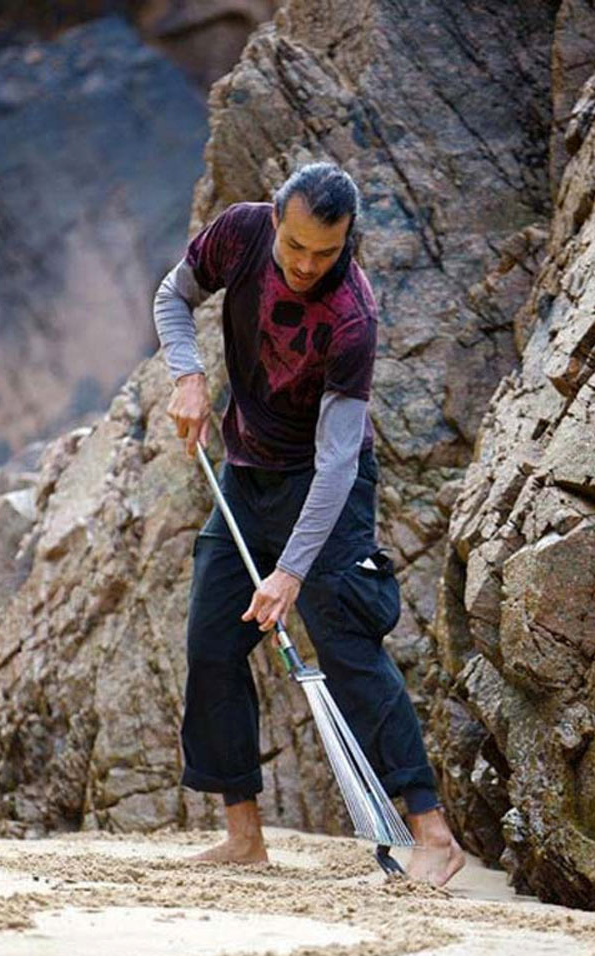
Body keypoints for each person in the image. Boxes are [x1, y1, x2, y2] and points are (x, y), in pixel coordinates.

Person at [154, 161, 464, 886]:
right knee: (211, 642)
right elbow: (174, 296)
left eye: (325, 253)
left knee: (350, 646)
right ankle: (243, 837)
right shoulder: (239, 231)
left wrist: (291, 571)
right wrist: (189, 372)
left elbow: (336, 464)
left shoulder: (352, 318)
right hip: (246, 472)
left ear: (347, 240)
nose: (304, 265)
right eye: (295, 246)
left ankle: (433, 832)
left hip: (326, 488)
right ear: (276, 222)